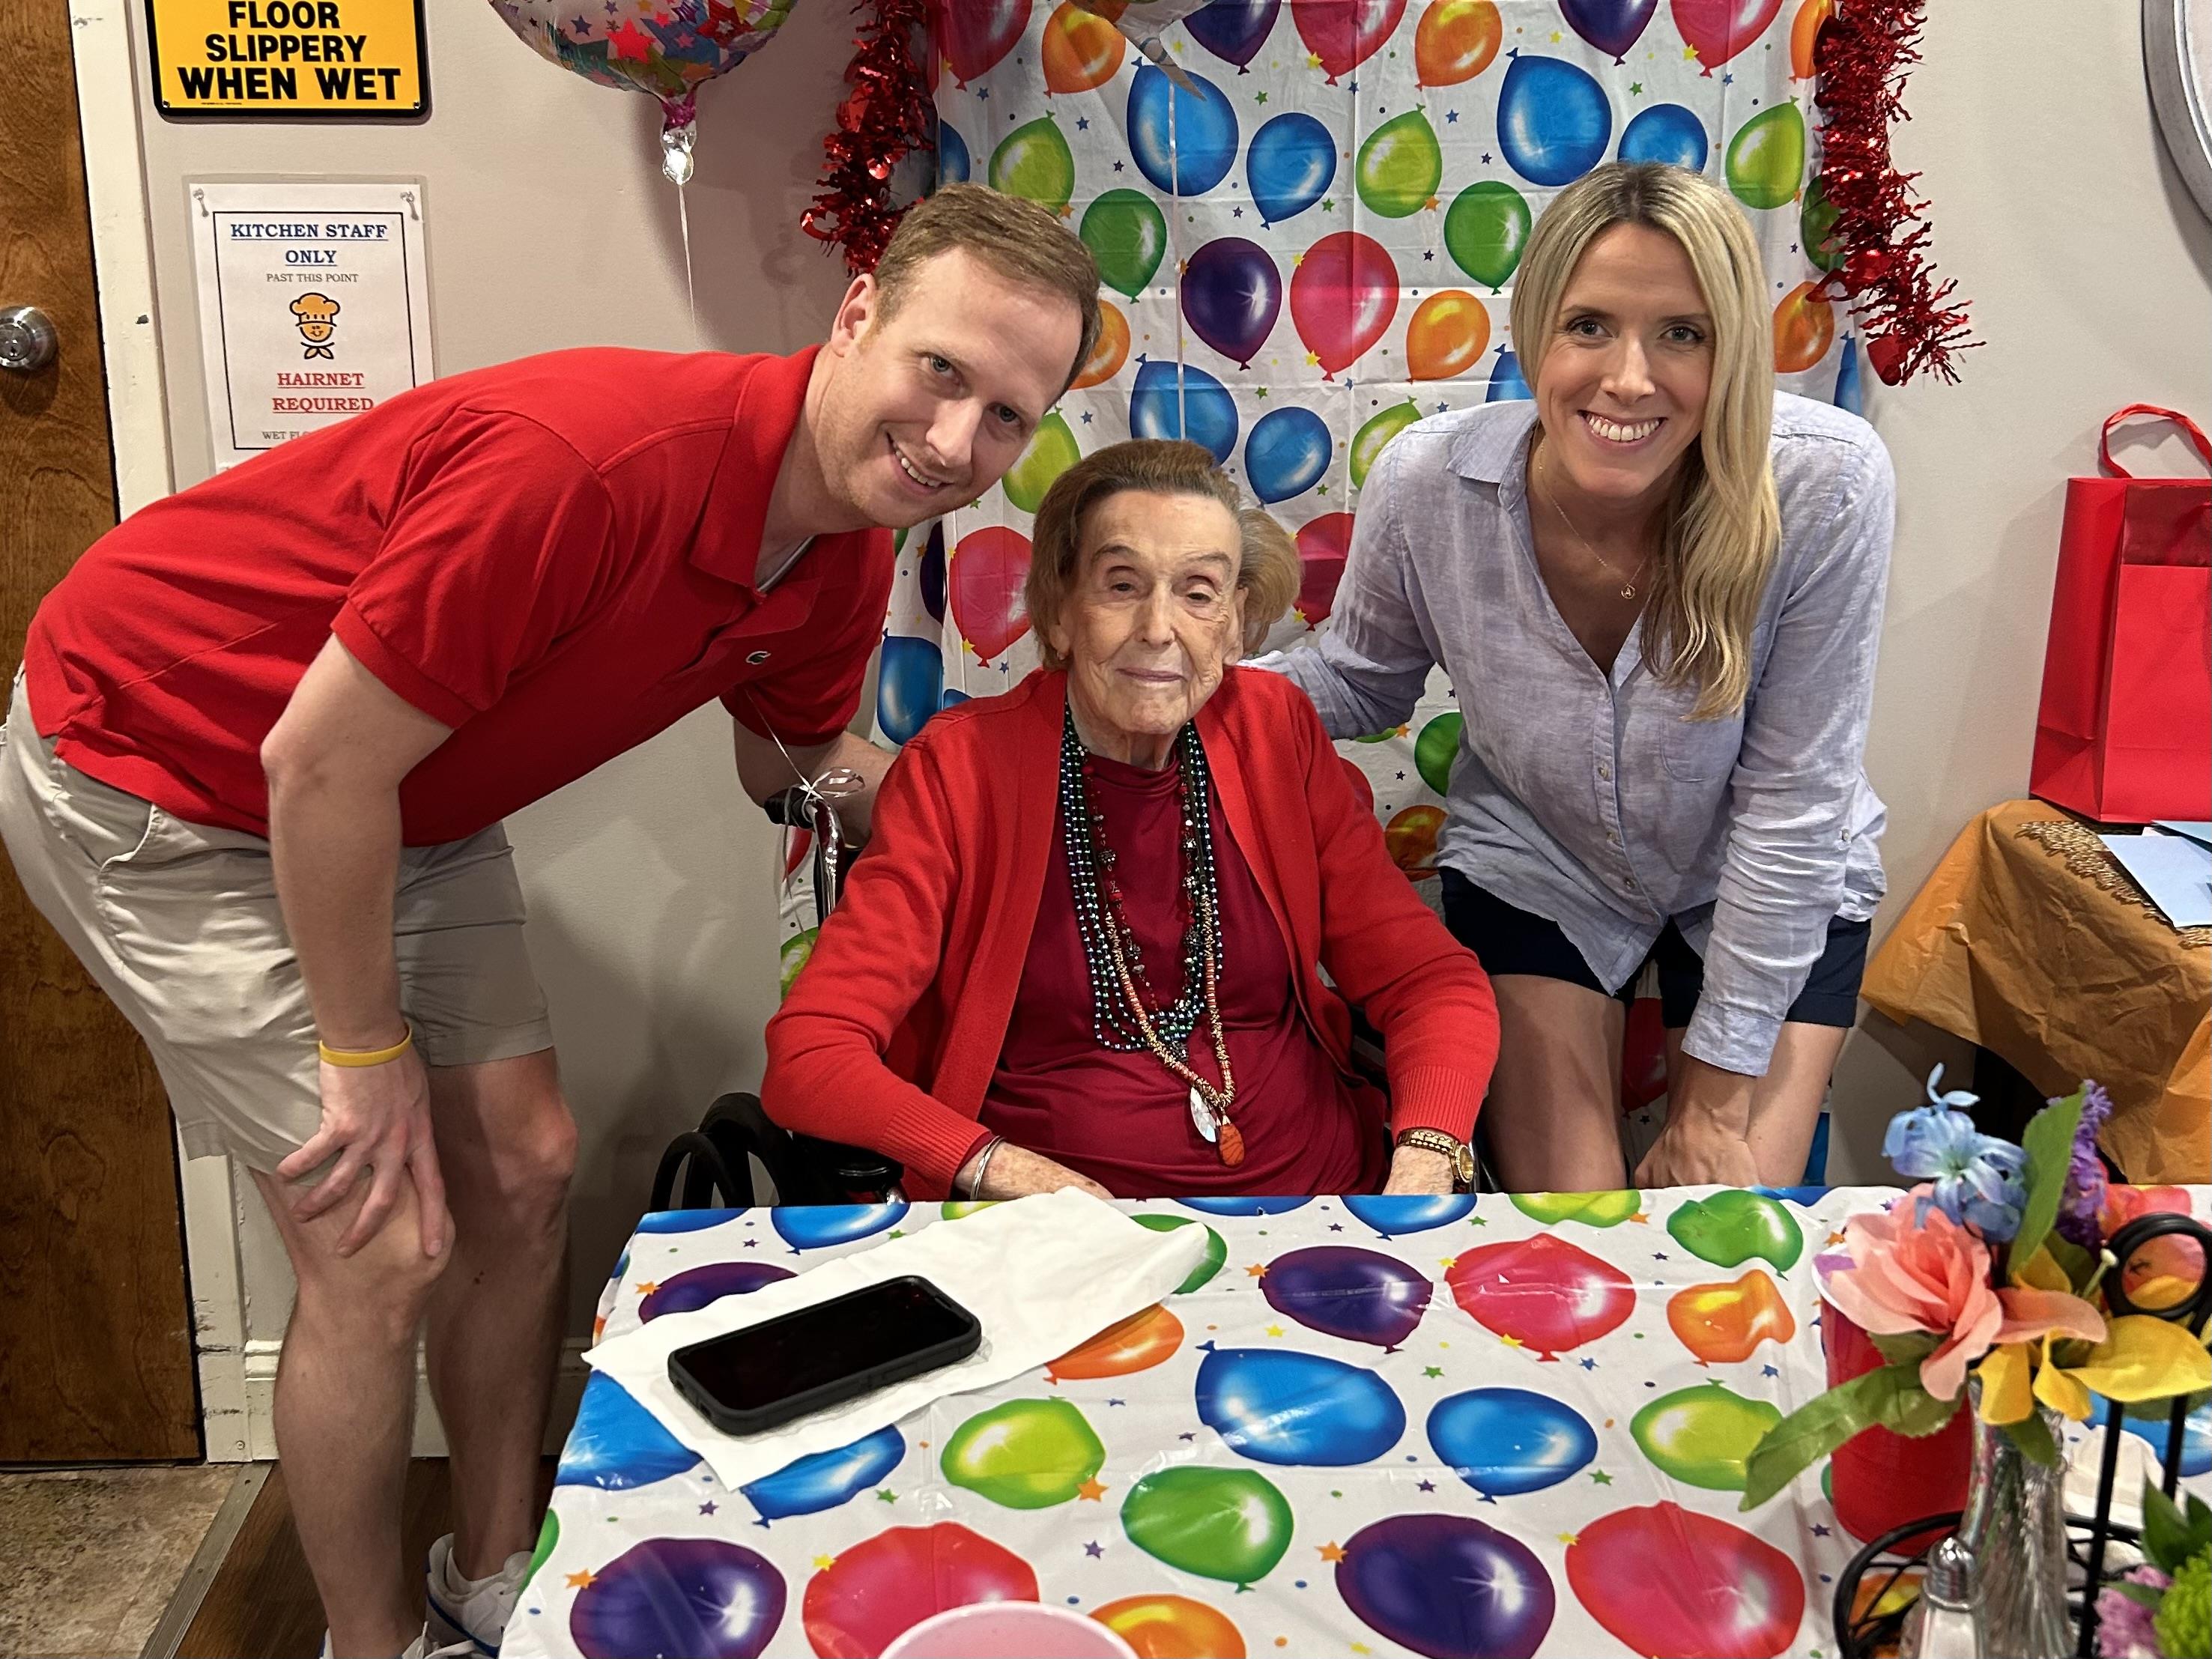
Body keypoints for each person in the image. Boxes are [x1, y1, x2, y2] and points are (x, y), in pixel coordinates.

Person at [0, 184, 1095, 1659]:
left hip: (403, 795)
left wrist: (1023, 835)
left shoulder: (834, 552)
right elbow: (312, 766)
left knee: (527, 1164)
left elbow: (788, 762)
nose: (958, 444)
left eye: (1010, 417)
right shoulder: (589, 467)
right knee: (378, 1243)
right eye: (941, 373)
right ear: (855, 319)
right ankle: (371, 1641)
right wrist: (362, 1050)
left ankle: (494, 1563)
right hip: (157, 767)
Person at [1260, 161, 1894, 1194]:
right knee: (1572, 1224)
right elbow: (1359, 680)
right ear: (1531, 330)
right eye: (1589, 324)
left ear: (1730, 347)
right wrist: (1176, 675)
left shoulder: (1827, 481)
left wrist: (1711, 1103)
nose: (1629, 378)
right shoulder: (1430, 481)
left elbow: (1792, 802)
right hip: (1540, 861)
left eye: (1681, 333)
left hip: (1763, 869)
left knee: (1724, 1233)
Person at [762, 440, 1500, 1203]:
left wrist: (1425, 1147)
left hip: (1315, 1209)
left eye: (1198, 592)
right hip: (1062, 1238)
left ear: (1237, 625)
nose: (1158, 628)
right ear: (1057, 614)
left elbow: (1429, 981)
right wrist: (1002, 1170)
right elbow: (811, 1055)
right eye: (1121, 585)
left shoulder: (1274, 730)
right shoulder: (961, 768)